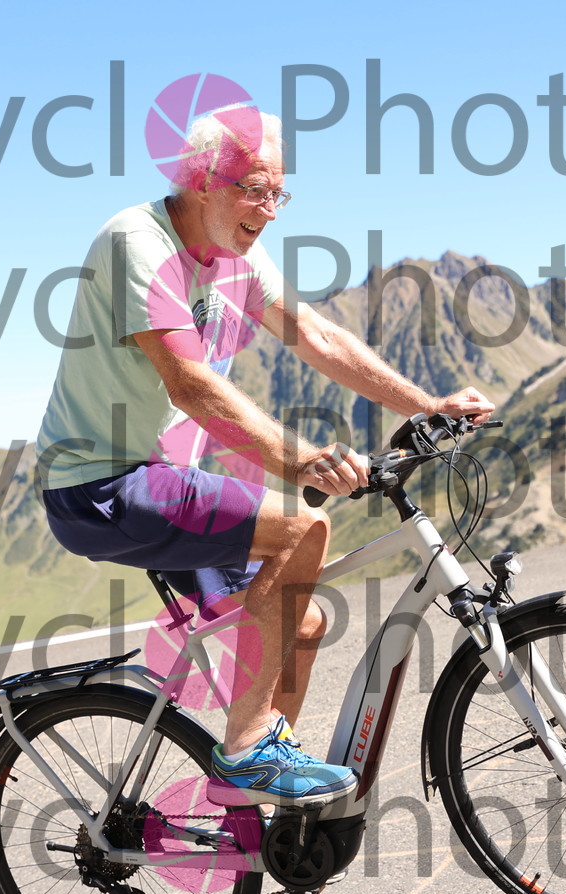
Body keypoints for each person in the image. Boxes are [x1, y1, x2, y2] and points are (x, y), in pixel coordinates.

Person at [35, 108, 493, 807]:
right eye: (255, 189)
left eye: (279, 193)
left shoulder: (238, 257)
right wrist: (305, 462)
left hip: (165, 481)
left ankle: (259, 808)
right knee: (302, 528)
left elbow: (316, 336)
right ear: (201, 180)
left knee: (300, 623)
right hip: (99, 484)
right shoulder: (138, 242)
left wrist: (424, 405)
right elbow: (192, 386)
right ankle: (247, 751)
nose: (270, 210)